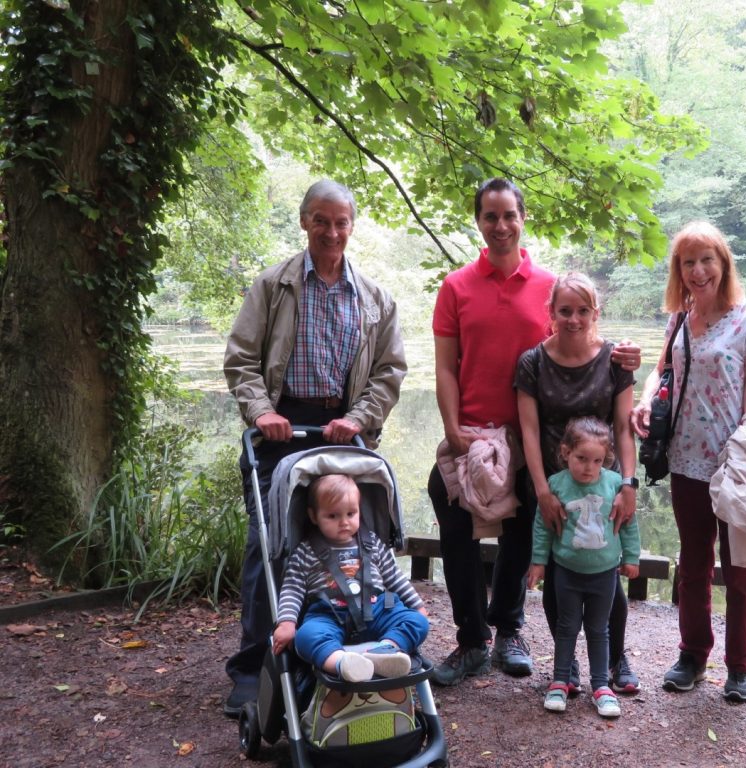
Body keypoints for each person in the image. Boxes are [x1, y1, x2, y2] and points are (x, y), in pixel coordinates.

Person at [427, 177, 640, 687]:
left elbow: (578, 339)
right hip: (473, 434)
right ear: (479, 222)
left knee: (523, 534)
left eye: (509, 215)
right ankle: (471, 639)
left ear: (522, 219)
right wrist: (452, 428)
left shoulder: (548, 286)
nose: (500, 225)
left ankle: (508, 631)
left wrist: (625, 355)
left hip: (530, 441)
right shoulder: (456, 287)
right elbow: (446, 367)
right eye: (490, 216)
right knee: (453, 522)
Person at [222, 180, 407, 716]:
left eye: (341, 222)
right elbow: (241, 359)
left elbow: (389, 372)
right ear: (305, 221)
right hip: (280, 427)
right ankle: (253, 667)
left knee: (353, 538)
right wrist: (261, 412)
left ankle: (355, 648)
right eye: (321, 220)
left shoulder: (375, 299)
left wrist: (358, 418)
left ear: (352, 225)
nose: (331, 231)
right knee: (268, 544)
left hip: (343, 431)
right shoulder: (272, 286)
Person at [631, 220, 746, 703]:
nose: (698, 271)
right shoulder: (679, 319)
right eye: (688, 262)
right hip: (685, 460)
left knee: (741, 570)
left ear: (723, 263)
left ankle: (742, 665)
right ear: (679, 271)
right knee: (693, 565)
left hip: (734, 463)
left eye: (706, 260)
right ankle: (692, 656)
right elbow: (661, 373)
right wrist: (645, 400)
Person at [515, 272, 640, 695]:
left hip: (602, 482)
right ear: (550, 313)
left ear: (595, 313)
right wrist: (543, 493)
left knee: (607, 574)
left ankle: (616, 659)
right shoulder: (532, 362)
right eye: (565, 311)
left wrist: (628, 484)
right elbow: (529, 431)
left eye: (582, 311)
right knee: (559, 573)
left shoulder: (615, 360)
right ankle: (565, 666)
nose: (574, 319)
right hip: (554, 485)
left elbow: (623, 428)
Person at [527, 418, 640, 719]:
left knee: (598, 629)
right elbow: (543, 526)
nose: (589, 468)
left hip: (604, 574)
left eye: (597, 461)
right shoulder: (556, 484)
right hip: (567, 572)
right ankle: (560, 682)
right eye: (581, 459)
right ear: (566, 453)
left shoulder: (614, 484)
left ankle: (601, 686)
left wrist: (631, 557)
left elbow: (628, 524)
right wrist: (538, 562)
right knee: (566, 627)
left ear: (606, 460)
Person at [273, 474, 429, 682]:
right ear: (313, 516)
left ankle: (385, 651)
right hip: (329, 615)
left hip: (377, 609)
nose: (344, 522)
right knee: (305, 636)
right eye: (333, 516)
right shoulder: (305, 551)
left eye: (351, 513)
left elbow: (394, 578)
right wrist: (287, 622)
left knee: (417, 622)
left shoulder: (372, 543)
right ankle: (343, 663)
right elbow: (292, 588)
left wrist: (417, 606)